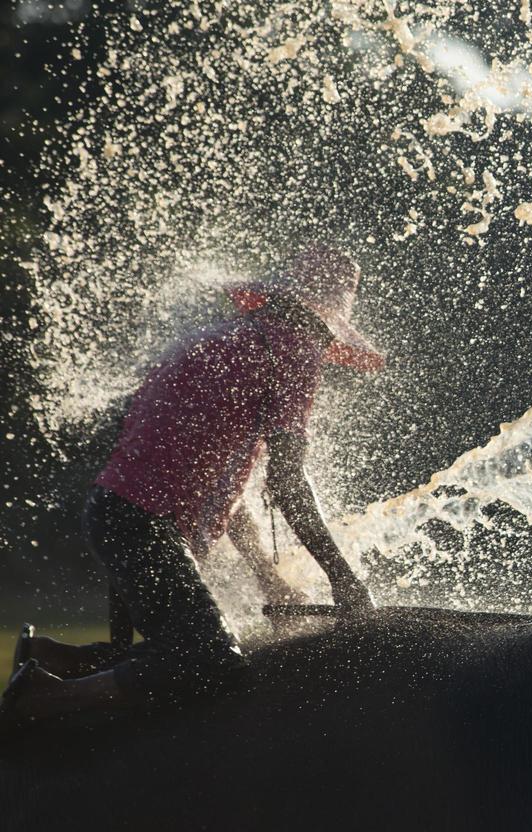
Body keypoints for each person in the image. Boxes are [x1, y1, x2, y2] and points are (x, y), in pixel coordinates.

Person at [5, 244, 383, 726]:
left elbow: (220, 486)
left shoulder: (221, 339)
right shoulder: (293, 351)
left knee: (163, 653)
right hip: (144, 524)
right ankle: (38, 700)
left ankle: (49, 658)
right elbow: (288, 482)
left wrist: (267, 575)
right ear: (324, 320)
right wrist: (345, 580)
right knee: (210, 663)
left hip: (116, 509)